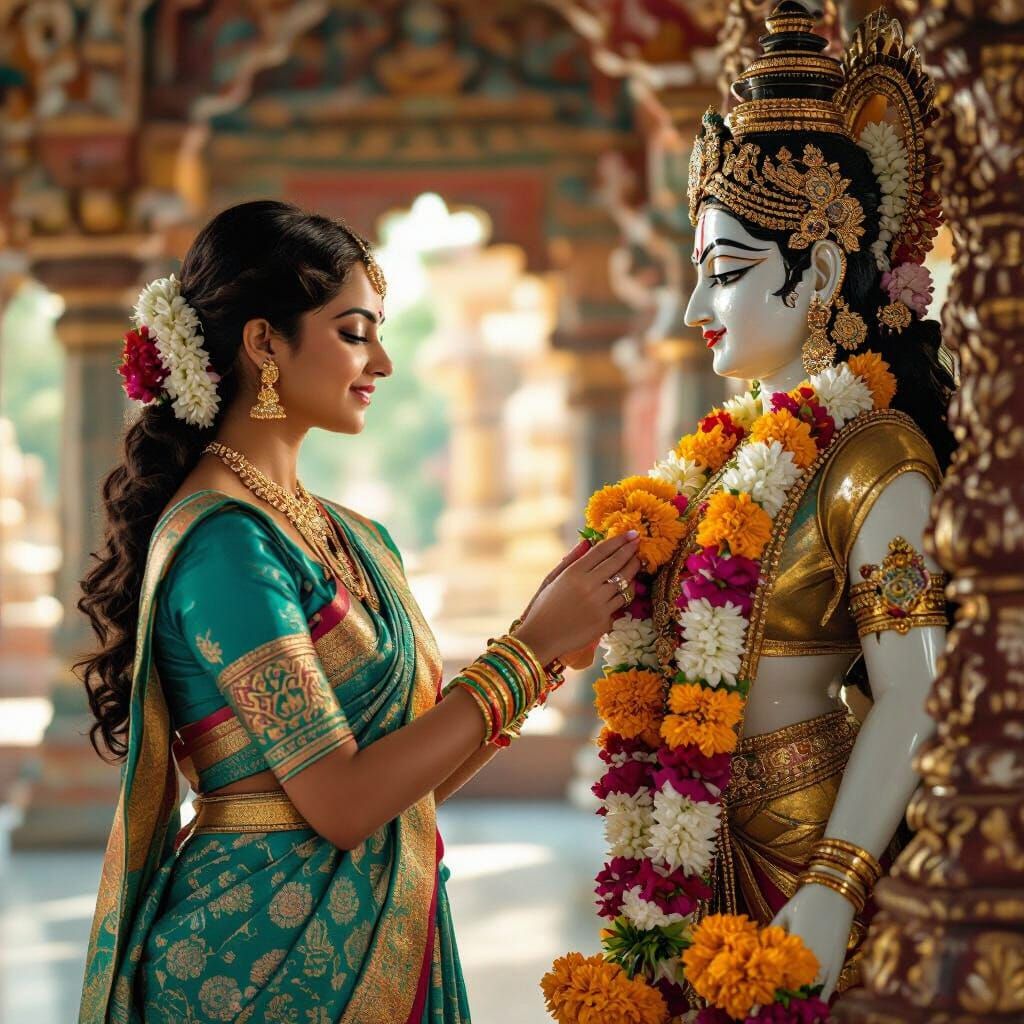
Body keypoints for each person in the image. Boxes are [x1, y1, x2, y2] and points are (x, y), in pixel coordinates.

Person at [75, 199, 643, 1023]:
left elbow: (400, 789)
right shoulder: (225, 546)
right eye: (353, 332)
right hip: (257, 966)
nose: (382, 362)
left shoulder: (351, 535)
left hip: (379, 926)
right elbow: (342, 805)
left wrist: (550, 652)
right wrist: (524, 651)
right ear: (264, 342)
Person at [553, 3, 956, 1016]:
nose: (694, 308)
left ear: (818, 271)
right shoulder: (728, 459)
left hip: (815, 839)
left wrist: (835, 881)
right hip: (698, 840)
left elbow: (917, 693)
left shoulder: (875, 458)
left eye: (725, 272)